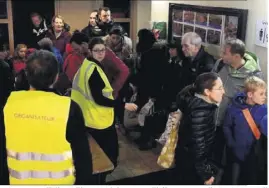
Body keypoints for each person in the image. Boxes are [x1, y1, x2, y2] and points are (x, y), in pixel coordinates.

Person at [3, 50, 93, 184]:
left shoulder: (8, 105)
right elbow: (83, 158)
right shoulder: (69, 108)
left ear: (26, 74)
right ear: (57, 76)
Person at [71, 37, 137, 183]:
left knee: (98, 157)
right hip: (98, 119)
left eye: (103, 50)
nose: (100, 53)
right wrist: (123, 105)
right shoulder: (93, 70)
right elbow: (99, 98)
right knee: (109, 157)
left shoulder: (86, 65)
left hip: (88, 116)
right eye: (97, 50)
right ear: (90, 51)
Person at [212, 39, 262, 165]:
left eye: (225, 53)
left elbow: (255, 103)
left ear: (236, 56)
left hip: (232, 124)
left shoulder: (253, 75)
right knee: (213, 152)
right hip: (213, 118)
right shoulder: (220, 64)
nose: (221, 55)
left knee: (231, 158)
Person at [173, 72, 225, 185]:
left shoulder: (197, 102)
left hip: (186, 159)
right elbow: (198, 147)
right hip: (191, 165)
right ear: (207, 92)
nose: (223, 91)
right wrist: (205, 174)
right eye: (219, 88)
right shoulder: (201, 112)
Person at [223, 76, 267, 185]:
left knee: (252, 179)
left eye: (265, 93)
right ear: (250, 95)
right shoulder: (234, 108)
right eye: (261, 94)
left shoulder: (264, 110)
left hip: (253, 153)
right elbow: (226, 126)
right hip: (236, 150)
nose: (265, 97)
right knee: (234, 180)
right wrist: (231, 143)